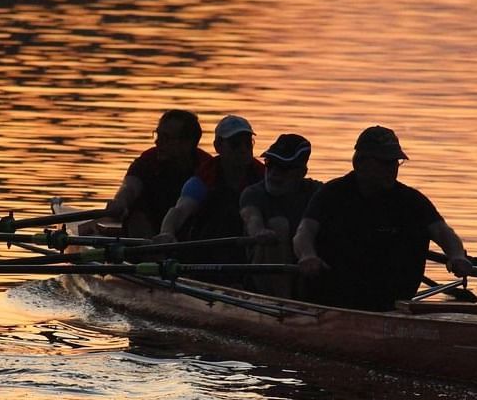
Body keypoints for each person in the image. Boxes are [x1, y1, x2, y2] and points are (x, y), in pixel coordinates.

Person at [293, 125, 471, 312]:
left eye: (395, 162)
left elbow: (443, 232)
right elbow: (304, 232)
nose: (392, 169)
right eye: (385, 162)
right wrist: (307, 255)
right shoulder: (332, 194)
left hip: (391, 301)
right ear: (360, 162)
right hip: (335, 299)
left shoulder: (411, 200)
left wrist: (457, 256)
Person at [154, 115, 265, 261]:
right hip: (208, 249)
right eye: (235, 144)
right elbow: (179, 211)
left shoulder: (263, 174)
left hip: (248, 247)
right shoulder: (206, 176)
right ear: (218, 146)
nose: (243, 150)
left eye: (248, 144)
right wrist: (167, 232)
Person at [94, 109, 210, 238]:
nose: (157, 142)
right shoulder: (148, 160)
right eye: (157, 135)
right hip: (146, 234)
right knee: (137, 208)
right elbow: (130, 187)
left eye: (166, 138)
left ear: (187, 143)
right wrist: (120, 201)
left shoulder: (207, 167)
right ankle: (149, 254)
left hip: (187, 233)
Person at [239, 133, 322, 297]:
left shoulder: (317, 192)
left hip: (304, 273)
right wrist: (259, 232)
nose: (274, 173)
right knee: (279, 224)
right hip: (260, 280)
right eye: (270, 164)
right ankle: (283, 303)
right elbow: (251, 218)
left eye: (283, 167)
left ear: (302, 172)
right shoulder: (253, 193)